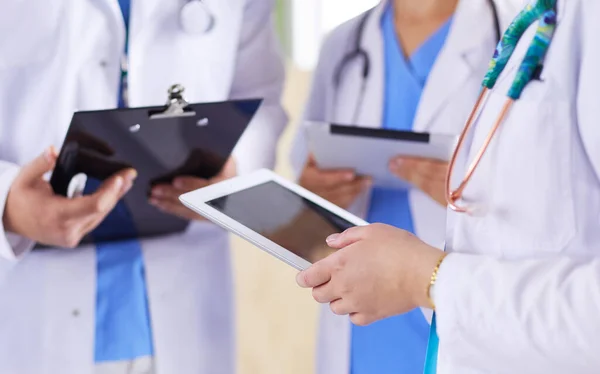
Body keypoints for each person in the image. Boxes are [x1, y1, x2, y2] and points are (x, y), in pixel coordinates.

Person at [297, 0, 600, 372]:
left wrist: (426, 277)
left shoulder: (529, 22)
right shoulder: (534, 19)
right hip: (385, 314)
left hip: (472, 312)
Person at [0, 1, 287, 373]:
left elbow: (260, 96)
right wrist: (7, 201)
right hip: (29, 298)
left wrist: (234, 170)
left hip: (185, 294)